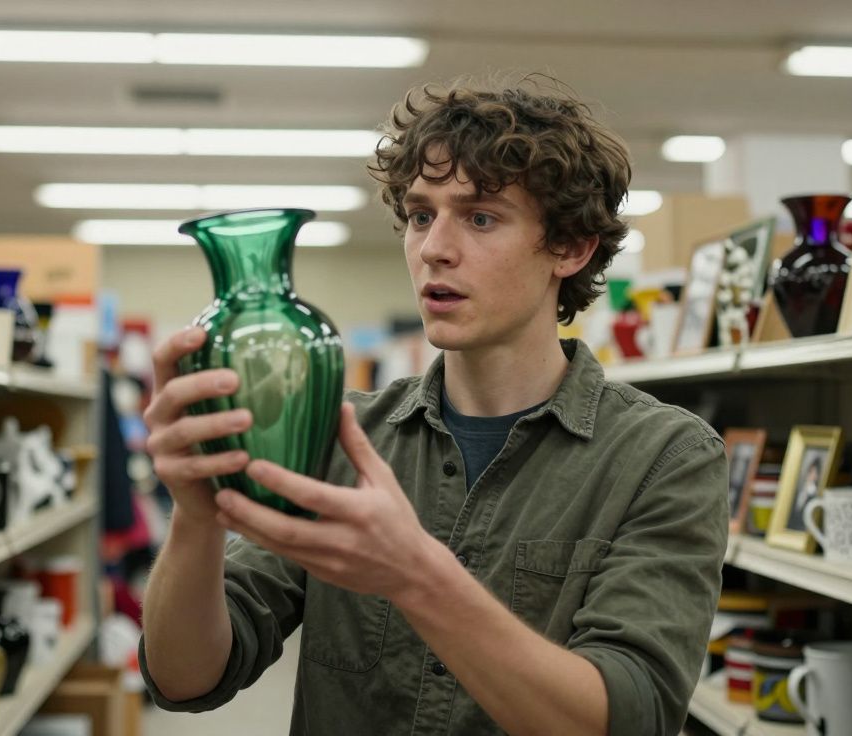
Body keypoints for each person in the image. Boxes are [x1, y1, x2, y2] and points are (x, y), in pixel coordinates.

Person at [138, 77, 728, 736]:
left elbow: (632, 717)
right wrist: (196, 517)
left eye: (481, 217)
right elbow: (185, 678)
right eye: (421, 215)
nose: (433, 249)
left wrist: (416, 576)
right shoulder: (341, 436)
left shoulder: (665, 458)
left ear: (570, 247)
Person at [787, 456, 822, 532]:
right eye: (810, 471)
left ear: (817, 476)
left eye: (814, 473)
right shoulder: (798, 490)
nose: (811, 475)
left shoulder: (814, 495)